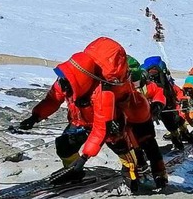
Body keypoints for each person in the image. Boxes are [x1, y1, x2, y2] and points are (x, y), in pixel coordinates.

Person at [19, 38, 167, 192]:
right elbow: (52, 99)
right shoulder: (66, 81)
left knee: (126, 151)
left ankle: (139, 174)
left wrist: (84, 157)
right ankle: (73, 171)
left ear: (78, 79)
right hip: (80, 121)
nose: (61, 83)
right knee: (64, 146)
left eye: (65, 80)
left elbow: (101, 129)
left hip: (111, 126)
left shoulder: (103, 94)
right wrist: (35, 117)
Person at [140, 56, 185, 150]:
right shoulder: (164, 79)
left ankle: (145, 149)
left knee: (145, 128)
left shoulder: (145, 80)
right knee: (172, 124)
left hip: (149, 105)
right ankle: (177, 141)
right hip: (165, 104)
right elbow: (173, 90)